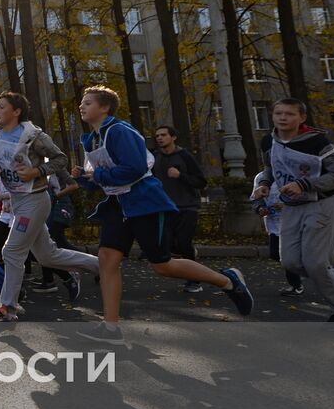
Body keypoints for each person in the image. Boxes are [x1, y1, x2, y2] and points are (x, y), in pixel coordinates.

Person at [77, 86, 253, 343]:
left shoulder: (119, 131)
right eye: (82, 102)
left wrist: (99, 175)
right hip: (117, 204)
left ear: (104, 108)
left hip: (144, 202)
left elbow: (135, 168)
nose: (82, 106)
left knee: (163, 266)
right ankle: (111, 328)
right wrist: (84, 178)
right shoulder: (92, 138)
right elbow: (101, 178)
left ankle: (228, 280)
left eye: (88, 102)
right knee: (107, 260)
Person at [0, 93, 96, 322]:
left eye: (1, 107)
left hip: (35, 200)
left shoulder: (33, 136)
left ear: (16, 111)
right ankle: (102, 266)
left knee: (11, 251)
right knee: (47, 256)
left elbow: (60, 159)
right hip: (16, 200)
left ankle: (7, 308)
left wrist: (36, 171)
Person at [251, 98, 334, 323]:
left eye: (289, 114)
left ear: (302, 118)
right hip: (291, 207)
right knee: (290, 262)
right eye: (278, 113)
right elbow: (271, 168)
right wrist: (264, 184)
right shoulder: (268, 141)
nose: (283, 118)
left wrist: (304, 184)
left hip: (321, 205)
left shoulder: (317, 142)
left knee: (316, 264)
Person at [152, 125, 208, 294]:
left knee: (183, 243)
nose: (160, 138)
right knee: (168, 246)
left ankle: (194, 281)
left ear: (173, 137)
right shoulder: (155, 158)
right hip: (165, 208)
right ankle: (190, 251)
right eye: (157, 136)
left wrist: (180, 176)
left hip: (187, 207)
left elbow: (201, 181)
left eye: (163, 135)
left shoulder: (185, 156)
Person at [32, 172, 80, 292]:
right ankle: (48, 280)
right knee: (50, 242)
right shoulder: (44, 167)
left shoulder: (58, 167)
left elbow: (74, 185)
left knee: (55, 242)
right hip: (51, 207)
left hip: (61, 206)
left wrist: (56, 195)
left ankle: (97, 263)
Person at [255, 186, 304, 297]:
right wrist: (260, 208)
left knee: (288, 257)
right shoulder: (261, 177)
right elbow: (256, 199)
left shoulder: (289, 171)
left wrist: (287, 206)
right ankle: (300, 269)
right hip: (273, 226)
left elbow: (304, 197)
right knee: (275, 254)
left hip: (293, 223)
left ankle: (296, 285)